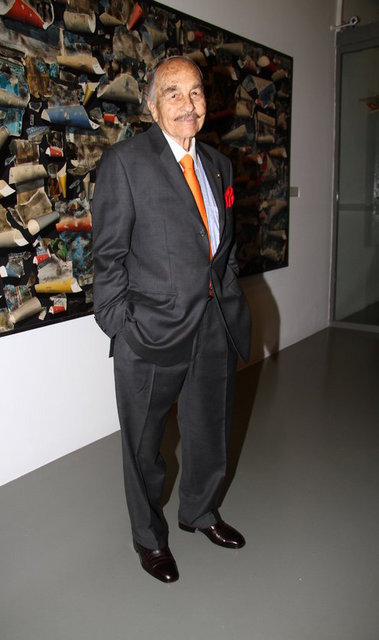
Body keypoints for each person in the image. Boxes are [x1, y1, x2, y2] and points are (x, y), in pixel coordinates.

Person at [92, 56, 251, 583]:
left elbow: (221, 247)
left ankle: (200, 512)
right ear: (153, 105)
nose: (188, 104)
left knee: (210, 431)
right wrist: (120, 324)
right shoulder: (125, 163)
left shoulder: (220, 165)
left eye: (196, 92)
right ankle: (148, 537)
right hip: (149, 331)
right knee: (144, 446)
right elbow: (107, 257)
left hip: (213, 323)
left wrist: (227, 296)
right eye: (174, 93)